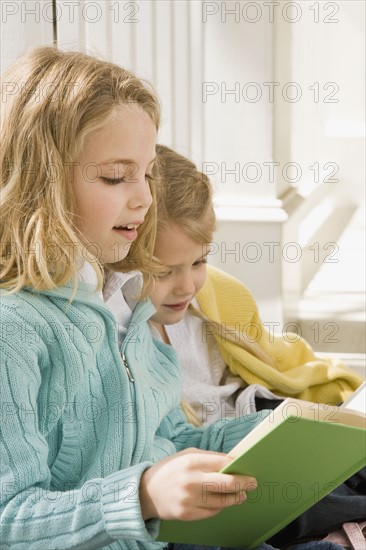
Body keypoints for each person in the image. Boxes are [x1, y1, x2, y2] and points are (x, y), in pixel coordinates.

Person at [0, 46, 278, 550]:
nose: (146, 198)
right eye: (115, 176)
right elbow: (7, 519)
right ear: (41, 183)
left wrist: (285, 427)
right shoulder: (11, 329)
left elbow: (173, 441)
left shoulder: (124, 304)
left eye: (146, 173)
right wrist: (141, 496)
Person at [148, 144, 366, 548]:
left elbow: (272, 357)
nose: (186, 284)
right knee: (304, 504)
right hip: (219, 459)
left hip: (264, 419)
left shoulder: (215, 293)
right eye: (164, 271)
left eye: (198, 262)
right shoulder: (128, 338)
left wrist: (329, 397)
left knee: (349, 452)